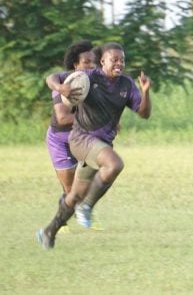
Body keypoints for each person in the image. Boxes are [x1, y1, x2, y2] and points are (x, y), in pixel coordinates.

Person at [36, 42, 152, 250]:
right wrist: (60, 88)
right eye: (114, 59)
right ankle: (87, 207)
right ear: (102, 61)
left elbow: (144, 114)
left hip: (101, 144)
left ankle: (48, 231)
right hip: (81, 139)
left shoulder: (126, 84)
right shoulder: (88, 77)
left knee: (74, 195)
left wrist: (145, 92)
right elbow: (51, 78)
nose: (119, 63)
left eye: (122, 60)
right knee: (114, 164)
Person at [45, 40, 104, 232]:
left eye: (94, 62)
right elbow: (62, 118)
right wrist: (59, 87)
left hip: (82, 137)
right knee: (69, 188)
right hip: (59, 140)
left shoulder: (97, 82)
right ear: (75, 65)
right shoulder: (66, 82)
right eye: (86, 62)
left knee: (85, 183)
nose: (91, 66)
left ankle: (86, 213)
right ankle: (61, 221)